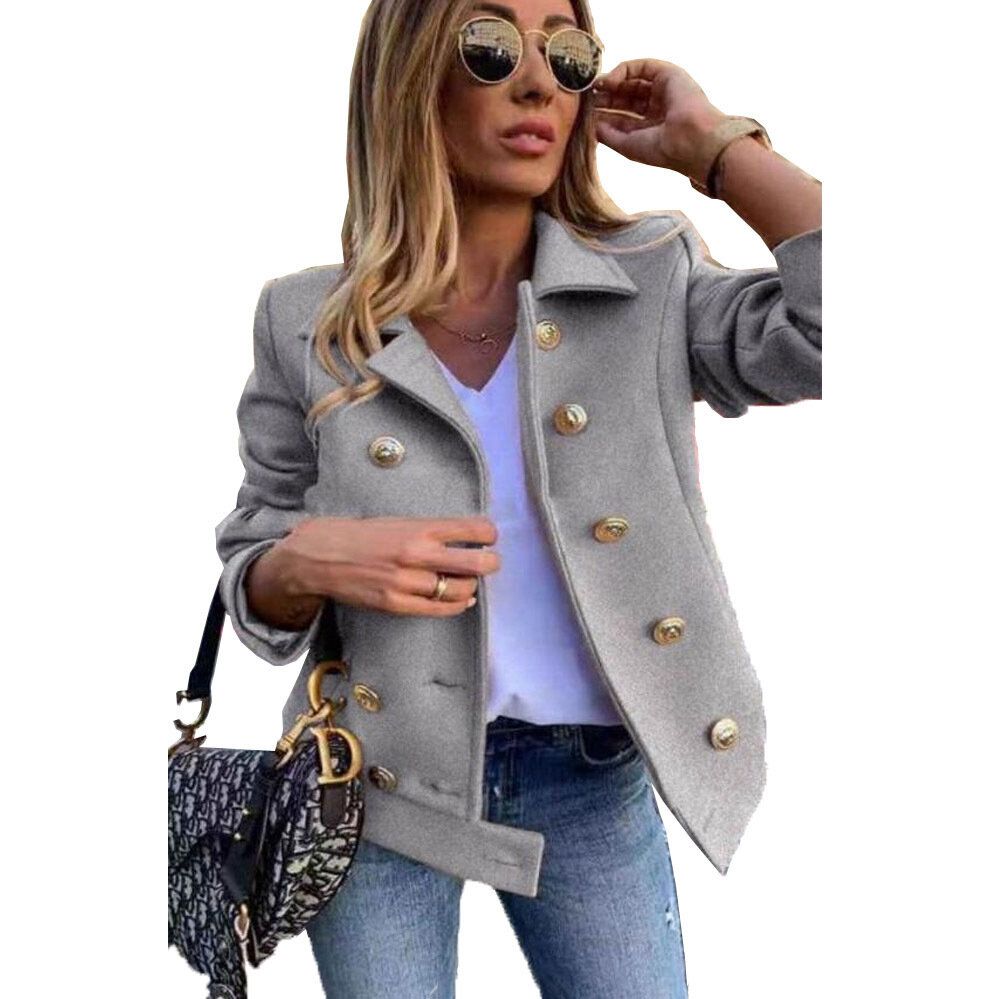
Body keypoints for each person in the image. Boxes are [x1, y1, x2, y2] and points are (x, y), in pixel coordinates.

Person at [213, 0, 822, 996]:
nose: (540, 81)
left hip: (591, 780)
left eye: (568, 54)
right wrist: (307, 559)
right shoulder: (305, 319)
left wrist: (717, 148)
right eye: (491, 47)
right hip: (374, 787)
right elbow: (256, 554)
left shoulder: (650, 278)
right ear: (411, 77)